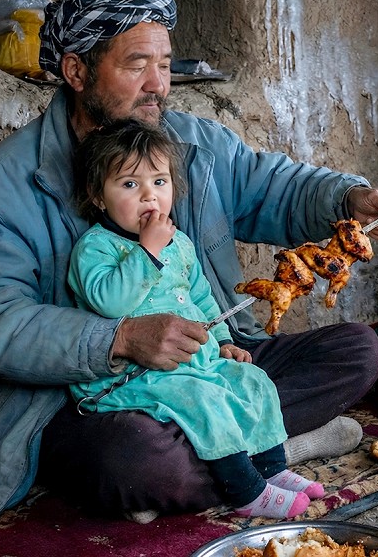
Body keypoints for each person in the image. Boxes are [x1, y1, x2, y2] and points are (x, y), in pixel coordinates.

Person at [0, 0, 378, 524]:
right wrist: (120, 338)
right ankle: (269, 452)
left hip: (201, 364)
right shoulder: (4, 188)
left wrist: (347, 198)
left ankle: (231, 456)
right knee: (134, 460)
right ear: (76, 71)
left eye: (164, 65)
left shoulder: (192, 145)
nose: (157, 86)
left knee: (359, 350)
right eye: (136, 64)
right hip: (88, 397)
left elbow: (270, 186)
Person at [69, 120, 323, 519]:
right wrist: (148, 252)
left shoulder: (180, 242)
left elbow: (204, 300)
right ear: (97, 196)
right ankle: (244, 491)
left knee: (253, 381)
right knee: (205, 402)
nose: (150, 196)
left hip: (199, 363)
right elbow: (109, 301)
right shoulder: (95, 248)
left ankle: (273, 468)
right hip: (135, 376)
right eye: (130, 185)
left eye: (159, 181)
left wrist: (223, 342)